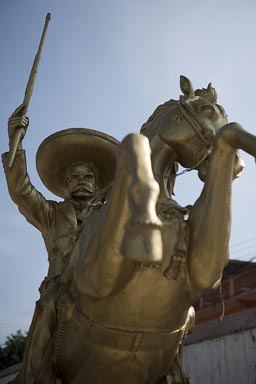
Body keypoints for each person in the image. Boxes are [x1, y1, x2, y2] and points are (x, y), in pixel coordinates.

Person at [2, 104, 118, 383]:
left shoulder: (110, 214)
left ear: (98, 182)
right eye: (74, 176)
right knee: (47, 305)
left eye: (87, 176)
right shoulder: (52, 215)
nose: (81, 181)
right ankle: (34, 376)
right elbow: (21, 191)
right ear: (65, 183)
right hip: (62, 288)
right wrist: (14, 141)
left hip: (105, 285)